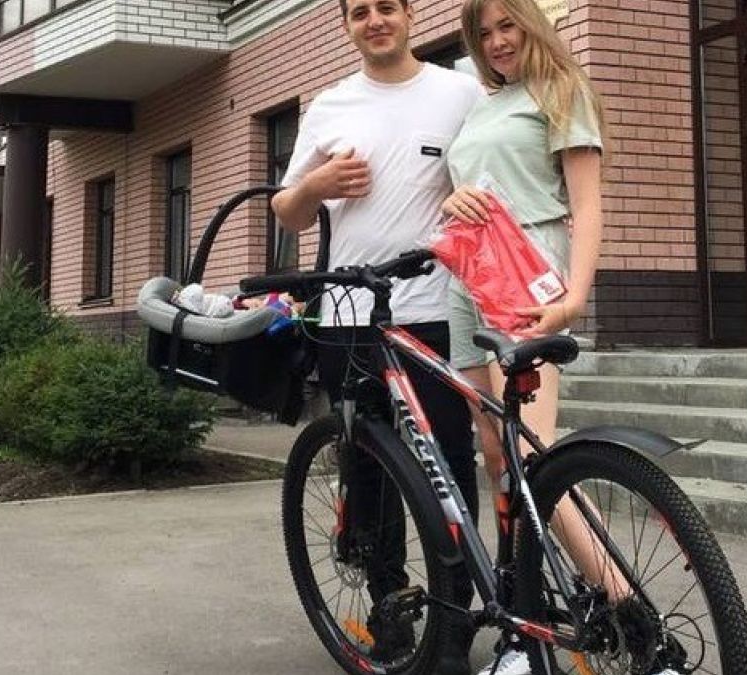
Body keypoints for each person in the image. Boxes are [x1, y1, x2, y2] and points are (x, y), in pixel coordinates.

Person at [442, 1, 679, 674]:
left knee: (531, 455)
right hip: (467, 280)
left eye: (507, 26)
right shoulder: (484, 105)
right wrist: (451, 200)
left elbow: (588, 202)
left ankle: (639, 624)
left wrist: (574, 296)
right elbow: (473, 187)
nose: (497, 41)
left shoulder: (562, 90)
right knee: (497, 456)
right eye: (484, 33)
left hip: (526, 276)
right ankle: (527, 627)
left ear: (532, 23)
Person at [271, 1, 485, 673]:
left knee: (449, 461)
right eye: (359, 11)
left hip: (433, 309)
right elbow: (287, 210)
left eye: (386, 6)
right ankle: (390, 608)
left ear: (409, 13)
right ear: (347, 25)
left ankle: (454, 620)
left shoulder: (459, 92)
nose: (375, 20)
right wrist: (317, 184)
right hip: (347, 317)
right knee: (367, 466)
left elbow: (488, 176)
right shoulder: (330, 105)